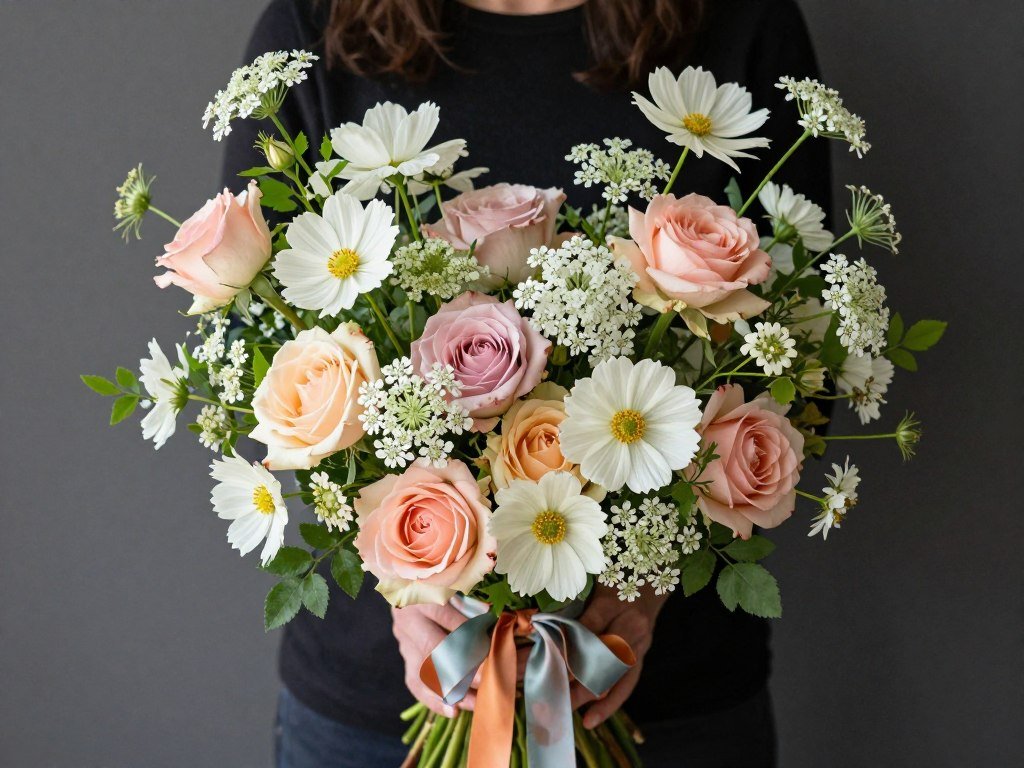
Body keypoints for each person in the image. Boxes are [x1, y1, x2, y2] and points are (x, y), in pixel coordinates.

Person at [222, 1, 831, 765]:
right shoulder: (315, 29)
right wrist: (408, 582)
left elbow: (805, 369)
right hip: (379, 706)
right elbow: (258, 374)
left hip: (671, 697)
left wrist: (644, 590)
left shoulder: (739, 22)